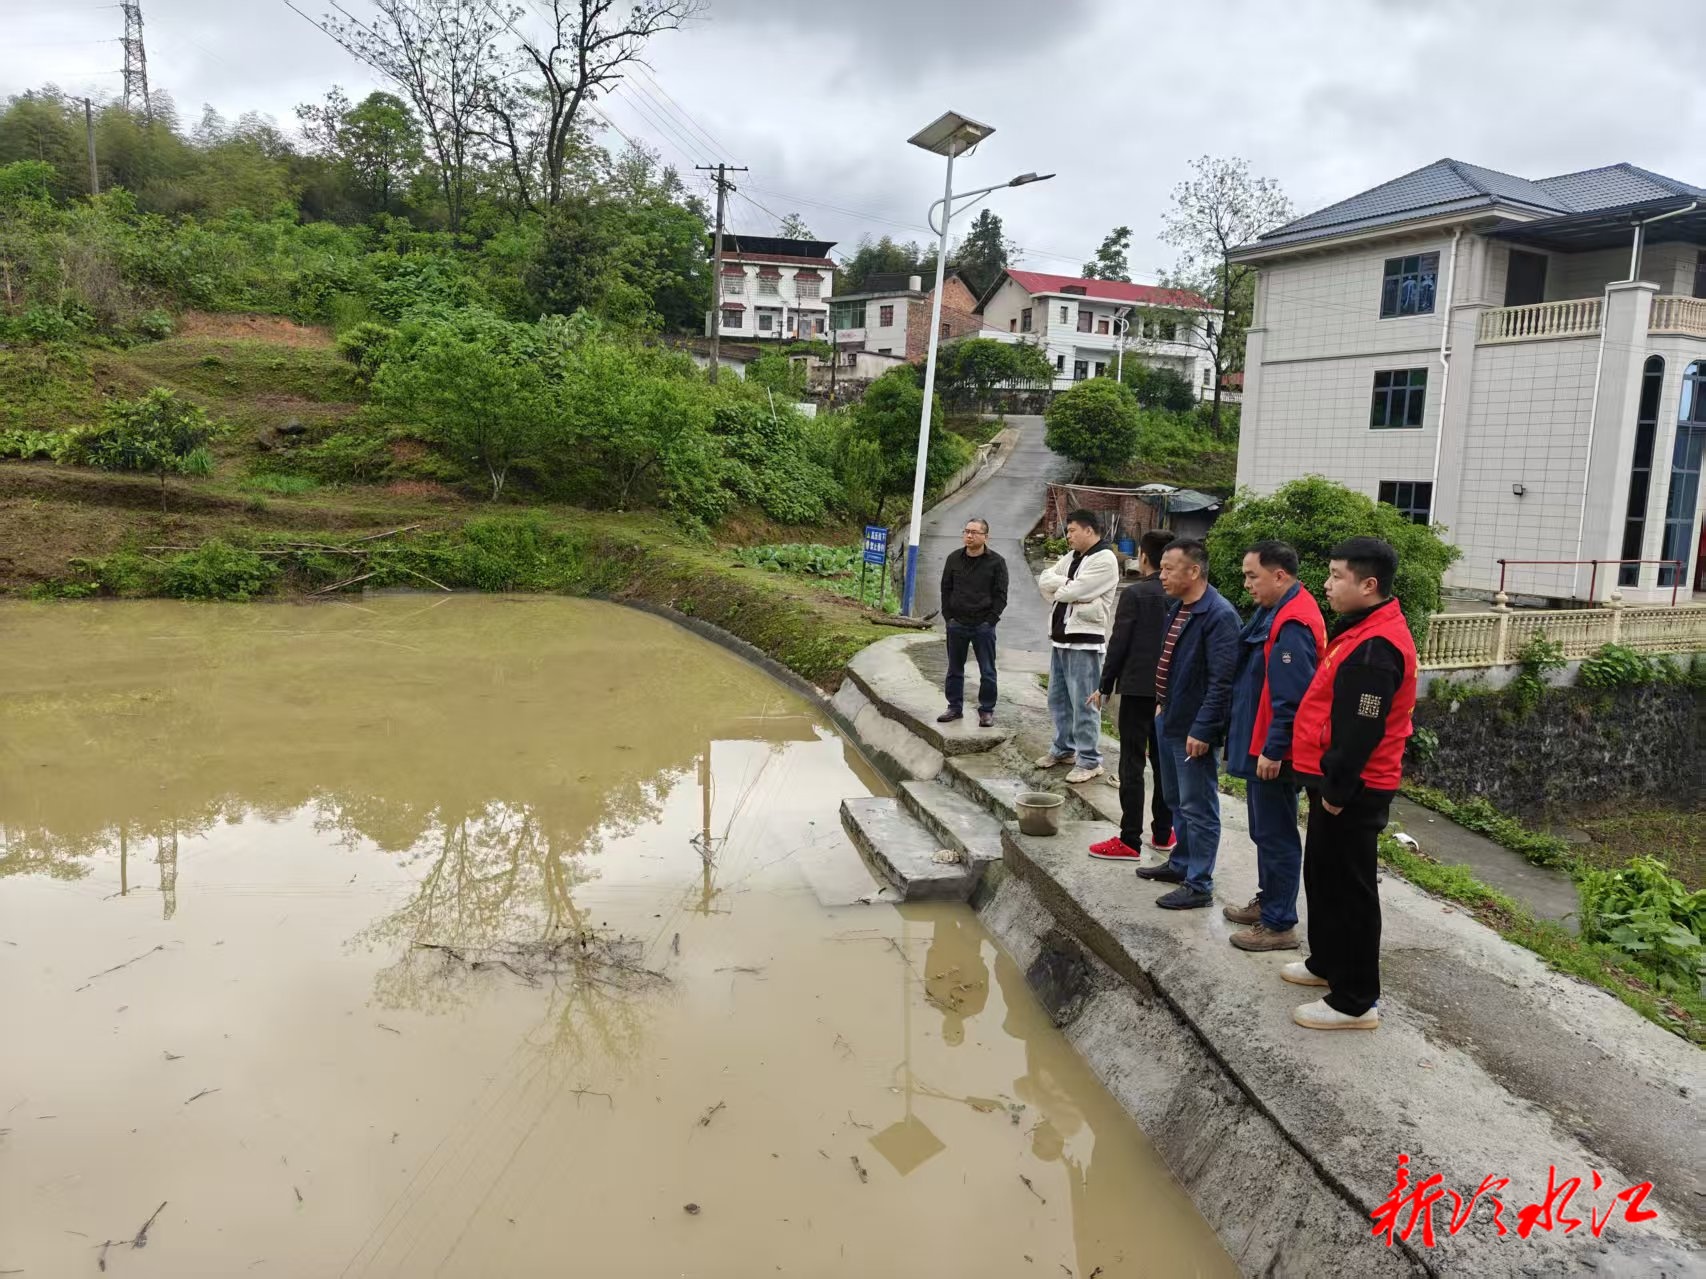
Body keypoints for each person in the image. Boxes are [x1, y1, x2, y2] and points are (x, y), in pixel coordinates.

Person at [1284, 537, 1418, 1032]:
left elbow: (1362, 729)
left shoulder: (1376, 649)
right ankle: (1326, 964)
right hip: (1331, 782)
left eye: (1337, 575)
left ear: (1369, 584)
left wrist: (1338, 793)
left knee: (1351, 889)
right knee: (1322, 874)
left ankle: (1356, 1000)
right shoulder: (1360, 629)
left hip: (1354, 788)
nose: (1327, 584)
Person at [1222, 540, 1325, 951]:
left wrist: (1274, 748)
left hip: (1273, 751)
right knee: (1264, 831)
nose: (1247, 584)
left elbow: (1292, 697)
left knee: (1277, 834)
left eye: (1253, 576)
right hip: (1258, 742)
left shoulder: (1293, 622)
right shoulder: (1275, 610)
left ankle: (1280, 924)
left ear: (1279, 575)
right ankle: (1269, 904)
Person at [1134, 539, 1238, 909]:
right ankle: (1180, 864)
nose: (1160, 575)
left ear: (1193, 571)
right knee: (1176, 799)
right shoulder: (1178, 607)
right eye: (1161, 567)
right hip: (1170, 717)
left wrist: (1204, 729)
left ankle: (1199, 883)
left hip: (1194, 729)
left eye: (1168, 568)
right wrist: (1162, 705)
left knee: (1199, 806)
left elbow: (1222, 681)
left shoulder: (1219, 615)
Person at [1085, 528, 1177, 863]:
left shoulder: (1137, 594)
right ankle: (1164, 833)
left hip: (1138, 688)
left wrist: (1105, 684)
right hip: (1169, 692)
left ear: (1144, 557)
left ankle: (1129, 839)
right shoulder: (1184, 595)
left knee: (1132, 763)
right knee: (1164, 761)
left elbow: (1119, 642)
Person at [1036, 509, 1120, 784]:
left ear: (1089, 530)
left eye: (1072, 531)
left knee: (1085, 703)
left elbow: (1073, 592)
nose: (1068, 536)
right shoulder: (1073, 557)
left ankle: (1089, 759)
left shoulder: (1105, 558)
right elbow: (1045, 579)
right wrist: (1069, 588)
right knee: (1058, 699)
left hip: (1085, 642)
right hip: (1061, 637)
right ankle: (1063, 749)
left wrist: (1069, 591)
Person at [937, 517, 1008, 729]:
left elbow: (1001, 595)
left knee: (987, 670)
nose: (969, 535)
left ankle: (986, 710)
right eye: (967, 531)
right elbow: (945, 589)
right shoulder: (953, 559)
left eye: (974, 532)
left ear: (985, 536)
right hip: (957, 623)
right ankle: (954, 707)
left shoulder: (997, 562)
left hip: (983, 625)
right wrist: (948, 617)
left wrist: (990, 620)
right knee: (954, 668)